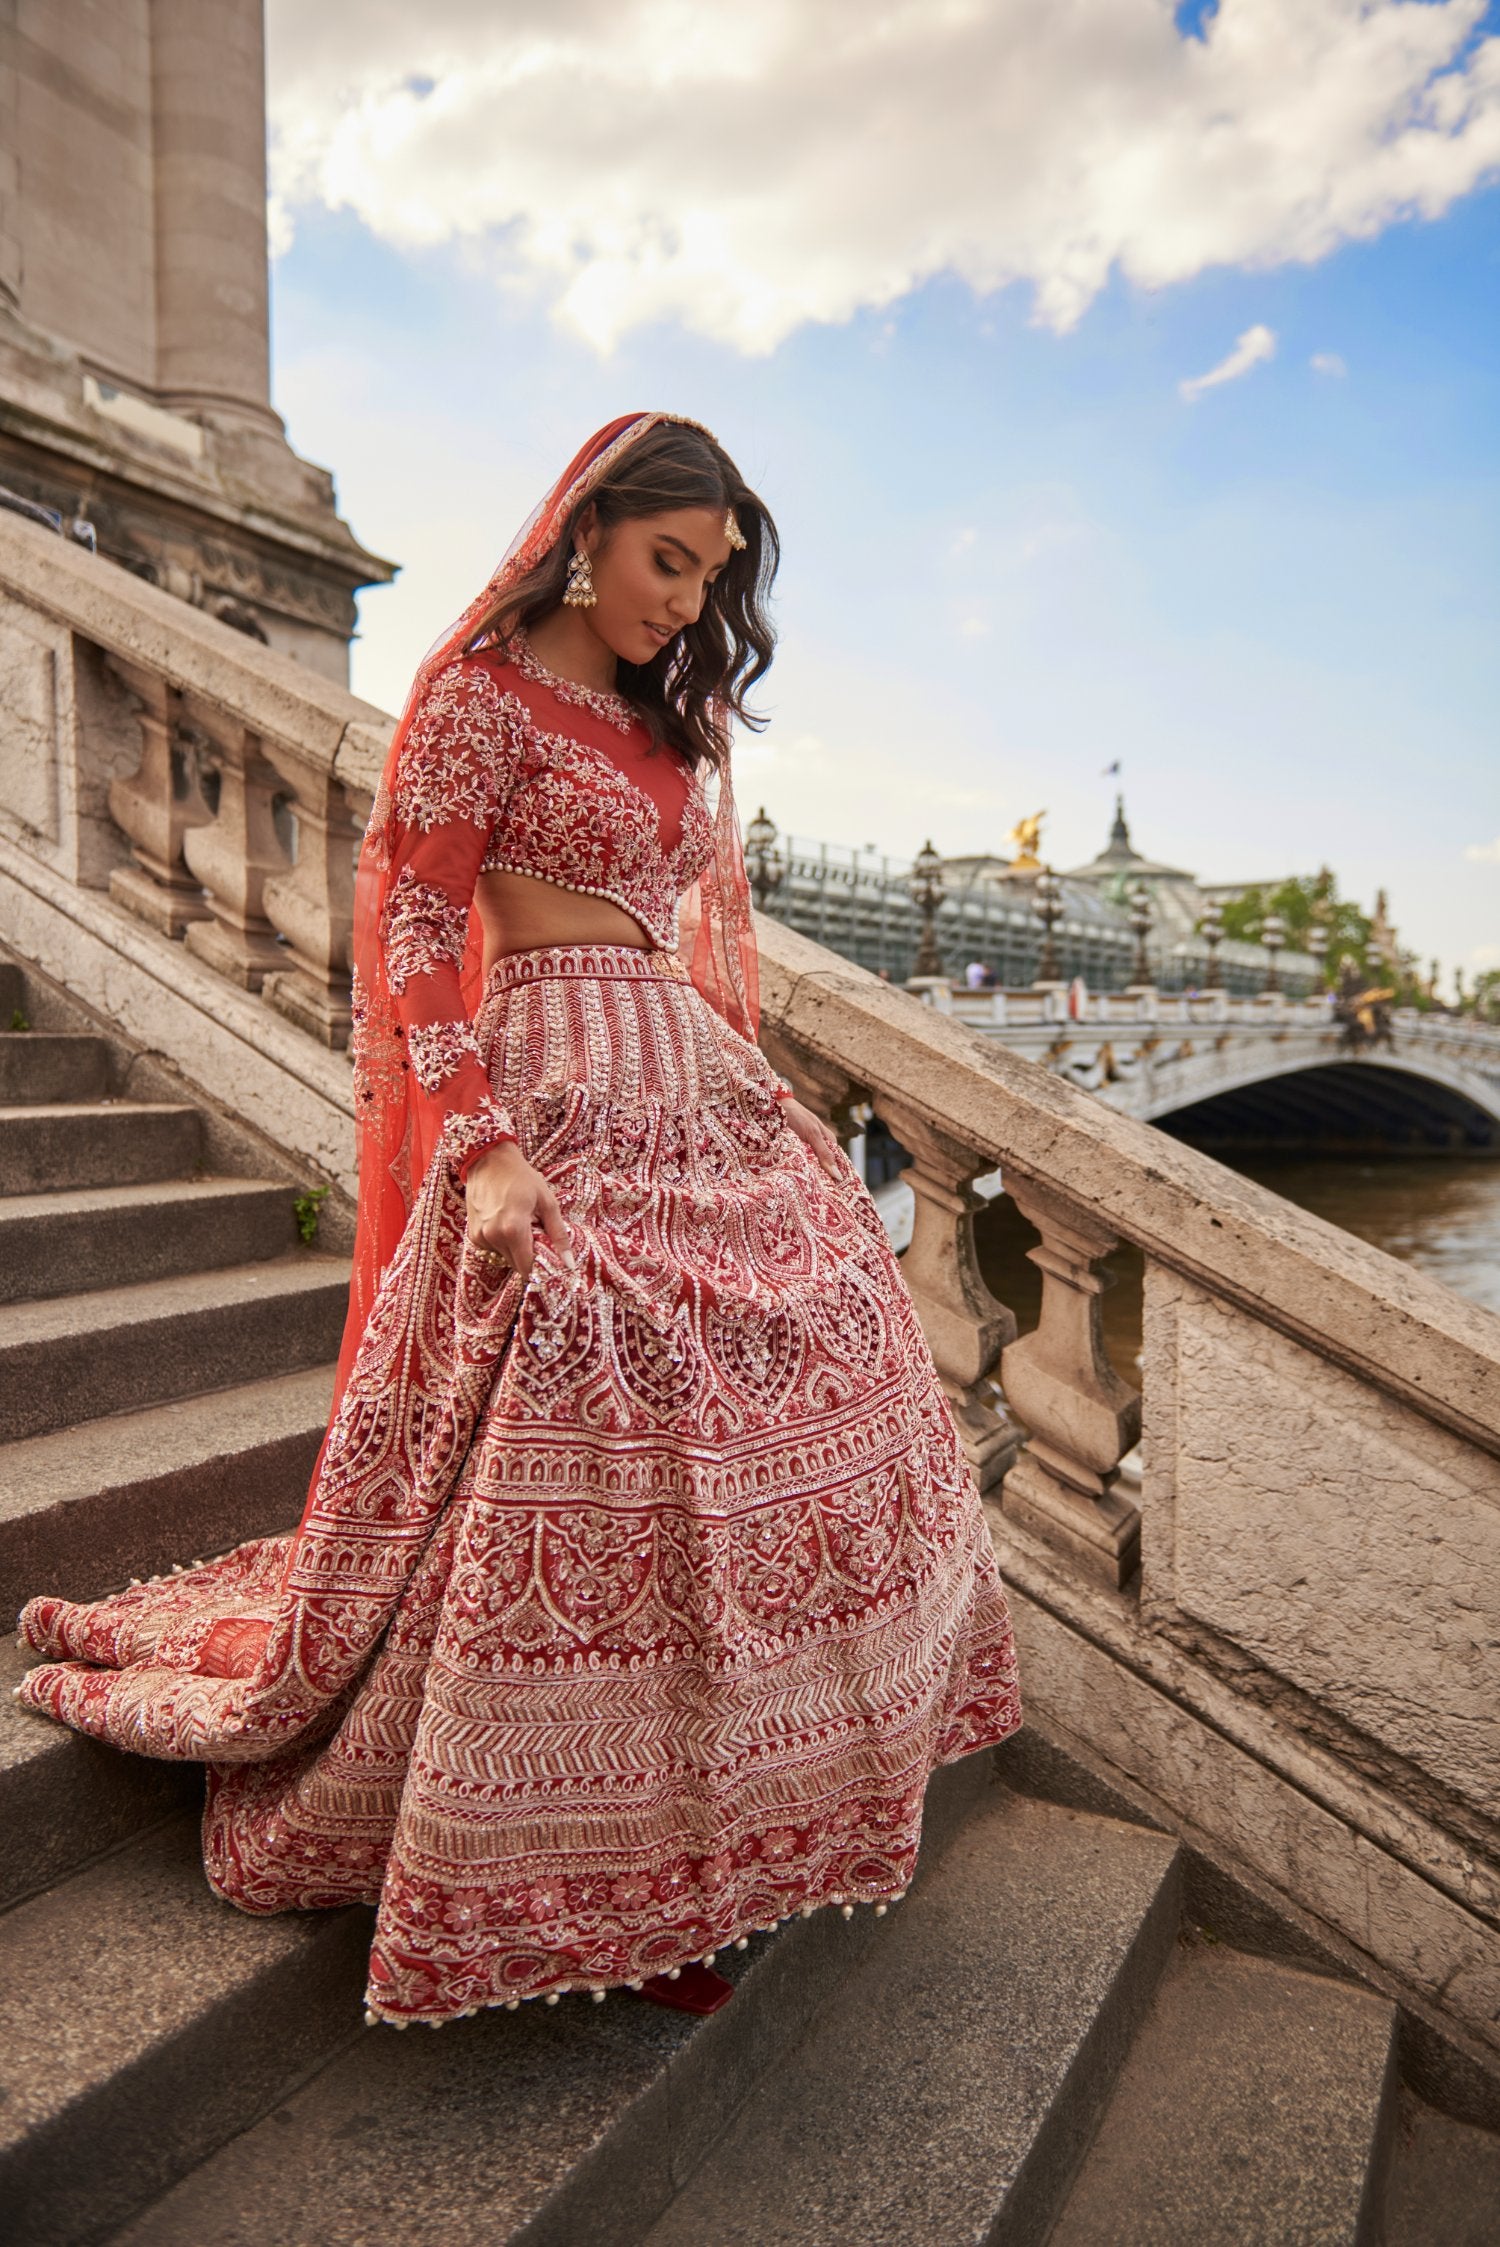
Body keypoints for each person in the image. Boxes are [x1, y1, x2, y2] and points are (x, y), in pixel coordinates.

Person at [17, 413, 1020, 2029]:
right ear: (587, 531)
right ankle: (584, 1861)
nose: (686, 604)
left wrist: (760, 1111)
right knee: (608, 1444)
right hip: (547, 1082)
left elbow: (689, 947)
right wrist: (479, 1146)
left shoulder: (672, 726)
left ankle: (742, 1818)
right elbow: (417, 926)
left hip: (691, 1079)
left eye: (710, 581)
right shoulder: (478, 699)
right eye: (668, 562)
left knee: (837, 1386)